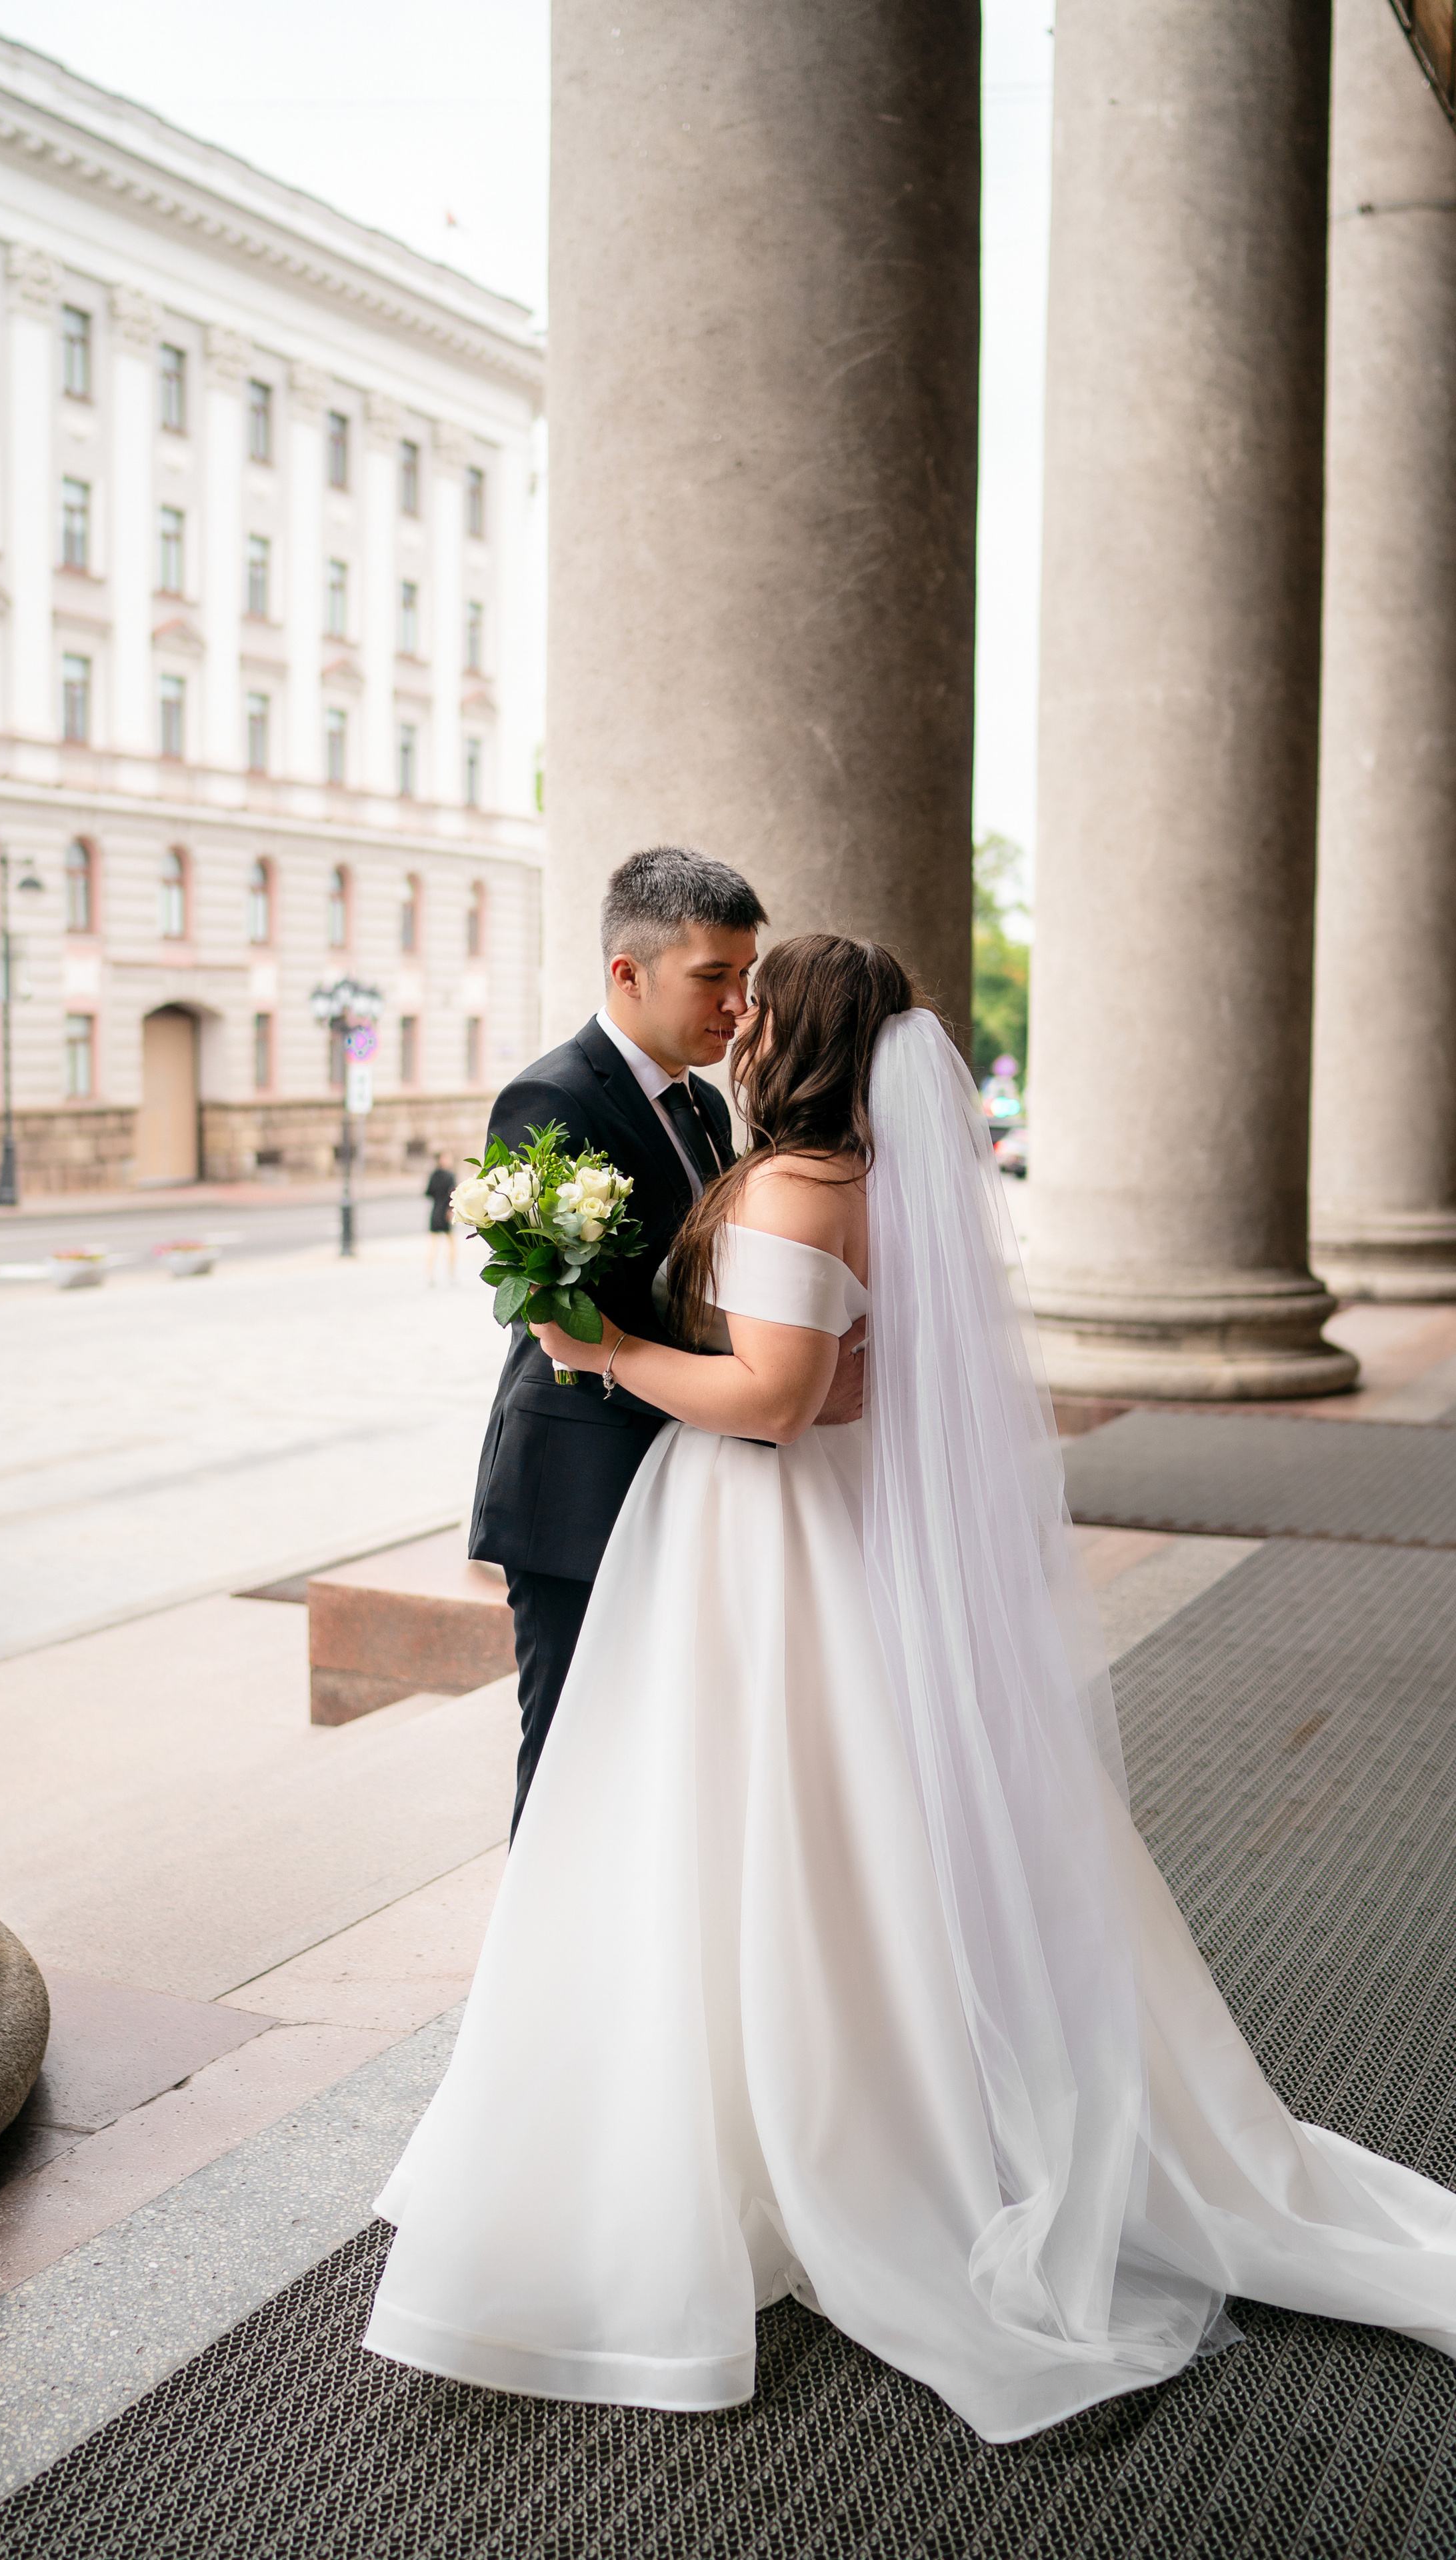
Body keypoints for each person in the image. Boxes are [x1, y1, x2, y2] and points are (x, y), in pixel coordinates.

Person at [365, 932, 1456, 2444]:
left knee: (758, 1819)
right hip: (806, 1530)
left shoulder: (799, 1186)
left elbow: (771, 1397)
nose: (734, 1019)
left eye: (757, 1003)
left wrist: (603, 1345)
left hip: (761, 1528)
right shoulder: (875, 1187)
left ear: (796, 1036)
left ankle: (809, 2121)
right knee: (832, 1815)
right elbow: (865, 1373)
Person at [467, 846, 863, 1838]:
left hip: (691, 1476)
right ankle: (541, 1981)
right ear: (628, 974)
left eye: (746, 978)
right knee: (568, 1746)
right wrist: (758, 1386)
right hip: (582, 1480)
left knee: (662, 1750)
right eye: (713, 978)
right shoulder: (552, 1100)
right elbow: (564, 1316)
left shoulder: (707, 1101)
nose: (737, 1005)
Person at [424, 1151, 458, 1285]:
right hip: (446, 1213)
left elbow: (428, 1193)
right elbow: (454, 1194)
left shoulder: (434, 1175)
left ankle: (430, 1275)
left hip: (435, 1212)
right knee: (451, 1246)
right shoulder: (450, 1176)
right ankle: (451, 1274)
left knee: (433, 1245)